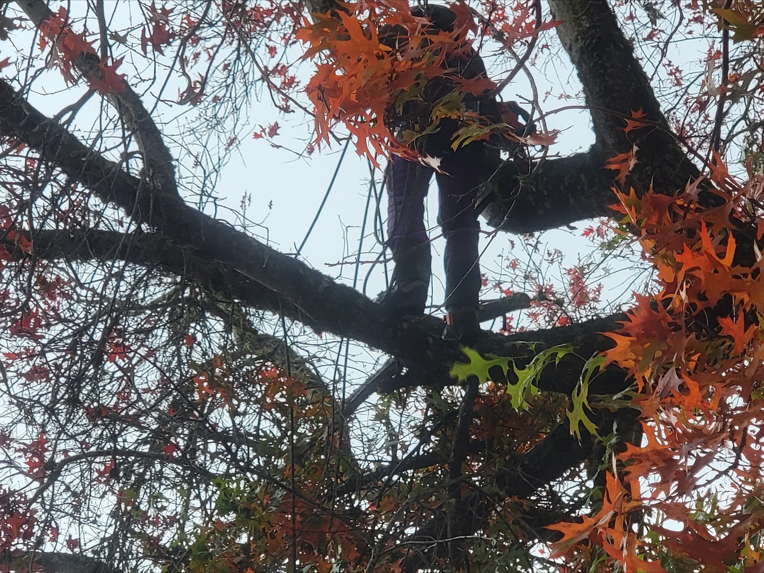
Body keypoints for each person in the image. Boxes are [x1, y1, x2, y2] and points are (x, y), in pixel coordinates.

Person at [378, 3, 531, 343]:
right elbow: (487, 101)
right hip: (459, 143)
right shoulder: (466, 57)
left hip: (419, 139)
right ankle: (461, 310)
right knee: (458, 222)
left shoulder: (408, 52)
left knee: (407, 206)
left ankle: (412, 287)